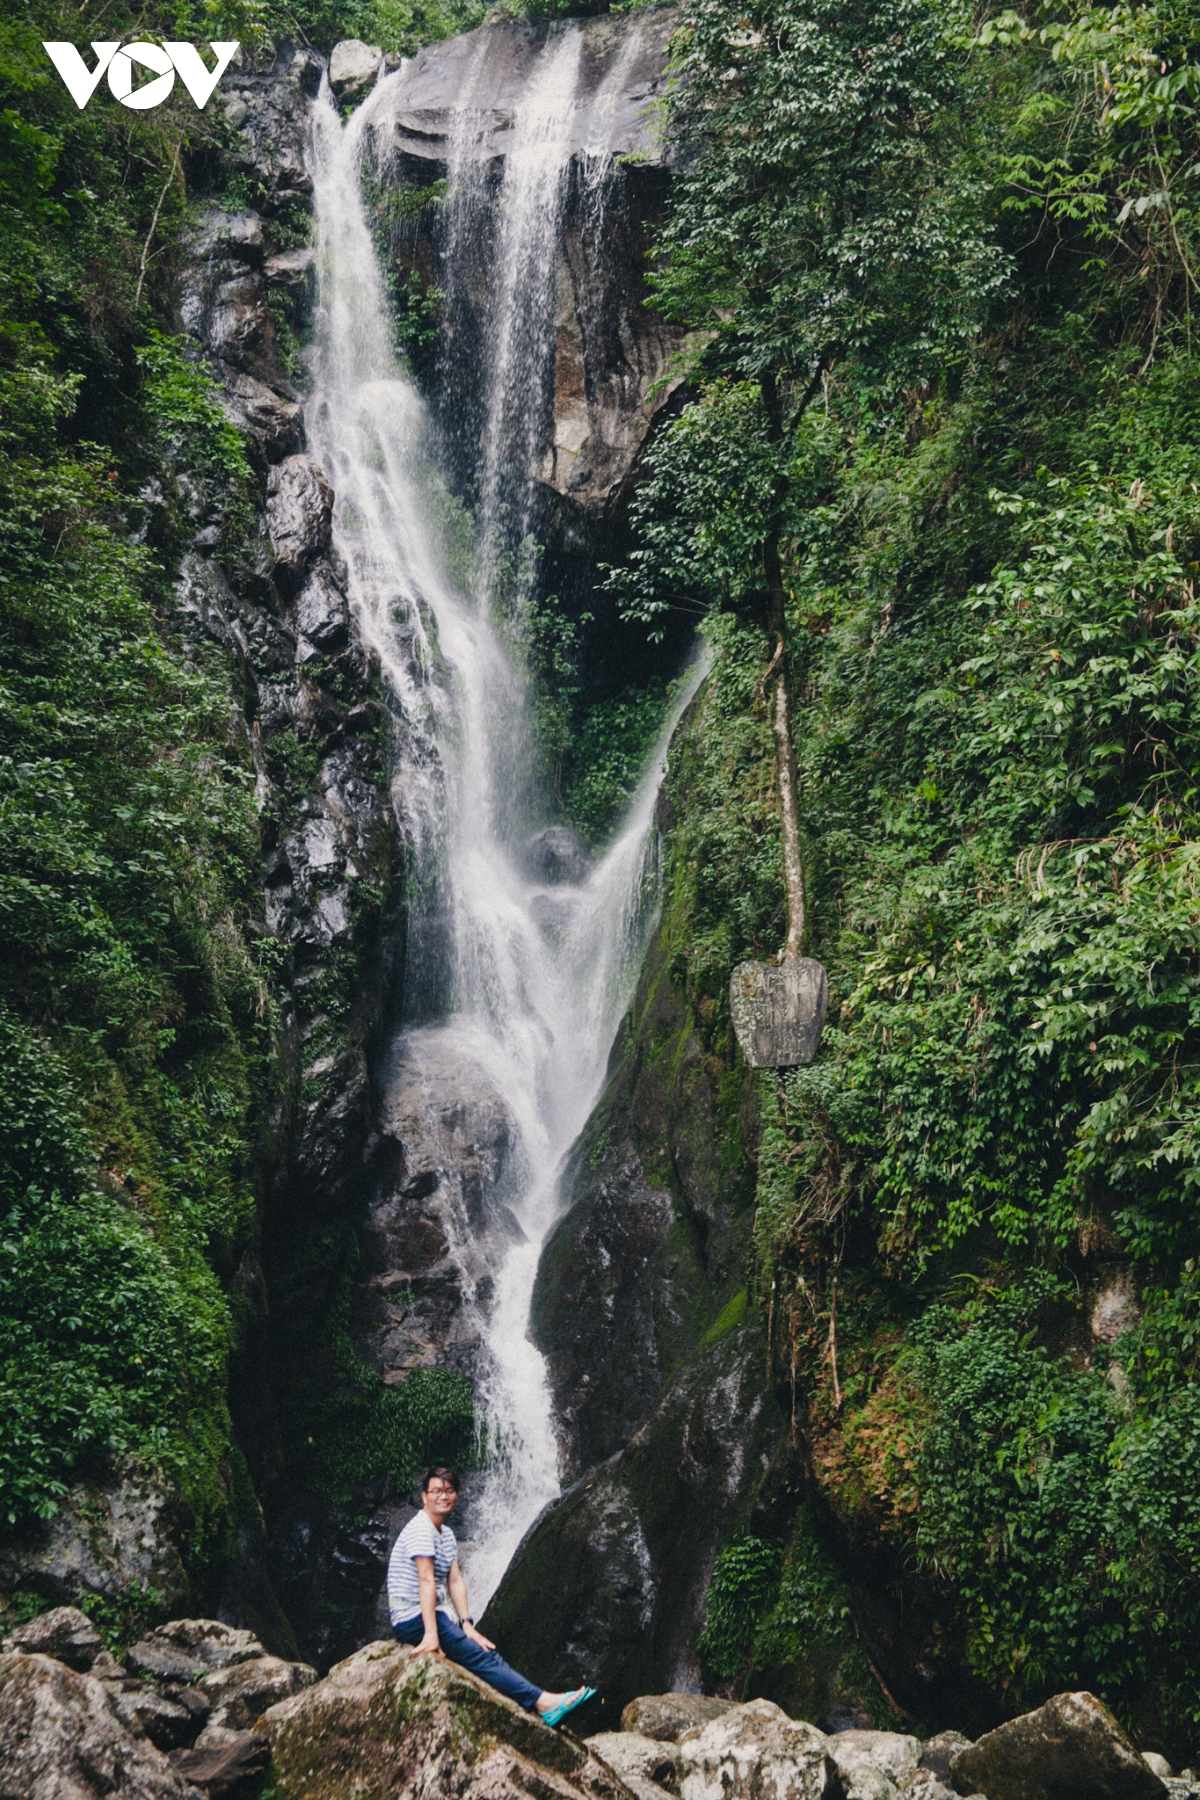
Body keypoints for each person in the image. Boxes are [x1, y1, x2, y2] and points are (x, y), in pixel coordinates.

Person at [387, 1465, 596, 1729]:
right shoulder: (421, 1529)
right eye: (437, 1491)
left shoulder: (446, 1534)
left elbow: (455, 1580)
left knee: (481, 1648)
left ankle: (540, 1700)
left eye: (449, 1491)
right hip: (413, 1618)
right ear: (424, 1496)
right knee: (480, 1657)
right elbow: (426, 1579)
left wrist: (467, 1625)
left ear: (457, 1496)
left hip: (433, 1615)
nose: (444, 1496)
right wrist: (431, 1634)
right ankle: (543, 1703)